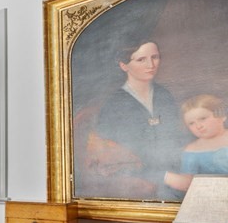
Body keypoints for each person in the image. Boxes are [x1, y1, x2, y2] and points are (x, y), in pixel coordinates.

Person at [94, 41, 190, 200]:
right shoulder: (113, 105)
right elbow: (113, 162)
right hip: (137, 183)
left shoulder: (164, 95)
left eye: (155, 57)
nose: (151, 65)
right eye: (141, 60)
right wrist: (165, 176)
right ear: (124, 65)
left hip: (177, 175)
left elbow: (175, 141)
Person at [177, 94, 228, 177]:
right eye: (191, 123)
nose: (198, 126)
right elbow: (187, 182)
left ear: (221, 115)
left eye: (203, 119)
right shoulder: (192, 149)